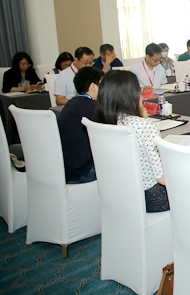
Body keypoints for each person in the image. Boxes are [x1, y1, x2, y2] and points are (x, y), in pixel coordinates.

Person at [96, 70, 169, 212]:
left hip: (120, 192)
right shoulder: (144, 126)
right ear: (131, 95)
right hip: (153, 197)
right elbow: (161, 177)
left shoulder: (104, 122)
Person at [58, 67, 103, 184]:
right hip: (82, 171)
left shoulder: (71, 103)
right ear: (93, 86)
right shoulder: (94, 107)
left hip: (65, 168)